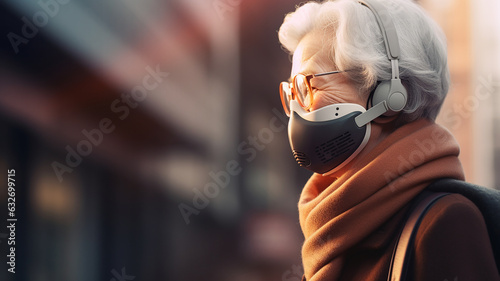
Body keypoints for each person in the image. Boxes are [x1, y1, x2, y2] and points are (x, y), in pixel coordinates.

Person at [277, 0, 500, 280]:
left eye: (309, 85)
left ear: (390, 95)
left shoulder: (447, 222)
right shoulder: (332, 228)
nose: (298, 110)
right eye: (293, 92)